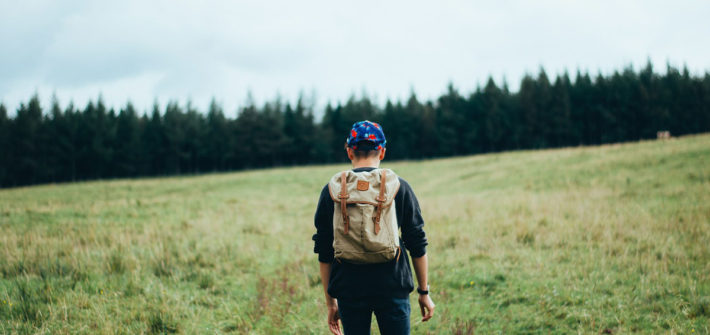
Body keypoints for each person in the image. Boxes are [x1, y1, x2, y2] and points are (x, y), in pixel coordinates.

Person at [312, 120, 435, 335]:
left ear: (350, 152)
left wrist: (331, 303)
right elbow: (417, 242)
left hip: (349, 289)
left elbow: (324, 250)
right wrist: (423, 291)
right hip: (393, 286)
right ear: (382, 151)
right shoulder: (399, 187)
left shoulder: (331, 191)